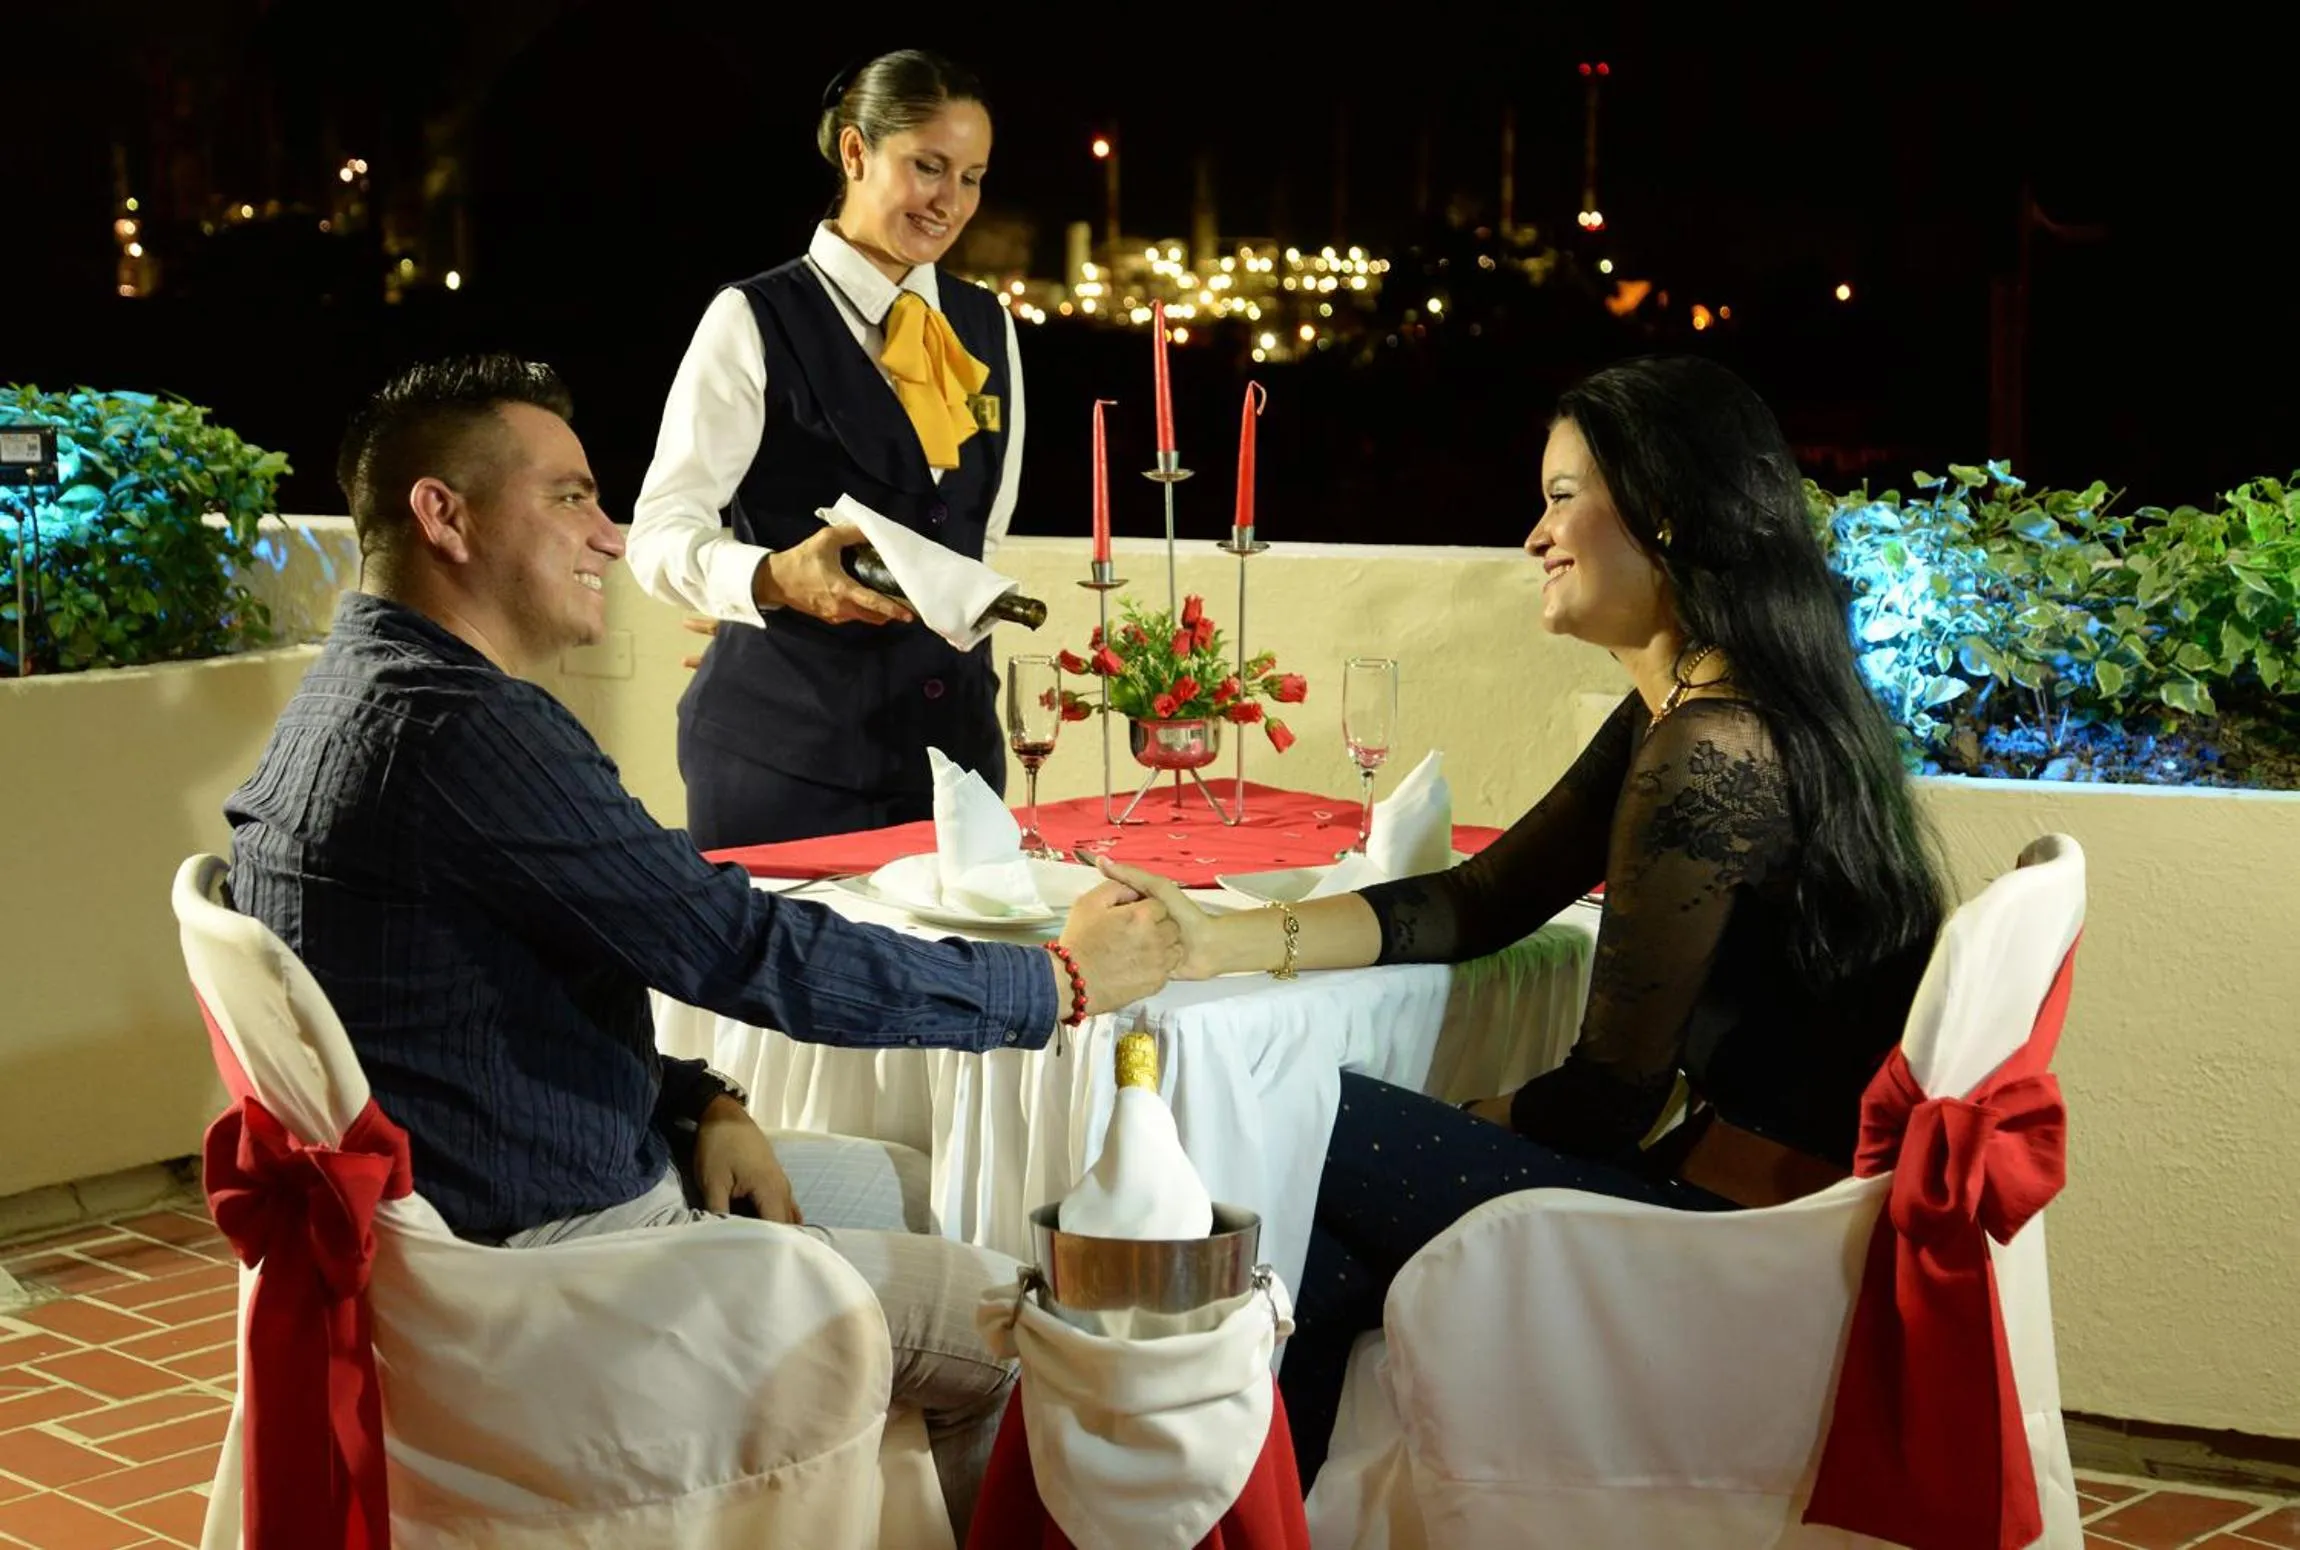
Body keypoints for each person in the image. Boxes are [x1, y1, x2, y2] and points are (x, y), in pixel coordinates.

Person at [225, 356, 1178, 1536]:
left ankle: (838, 1491)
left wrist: (697, 1100)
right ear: (443, 514)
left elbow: (463, 1003)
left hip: (481, 1206)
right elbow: (745, 948)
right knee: (1024, 1322)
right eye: (571, 496)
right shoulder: (465, 729)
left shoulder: (348, 698)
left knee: (913, 1186)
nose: (613, 538)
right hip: (553, 1269)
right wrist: (1059, 979)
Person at [1104, 355, 1949, 1484]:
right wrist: (1223, 939)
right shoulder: (1708, 701)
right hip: (1764, 1212)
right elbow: (1478, 897)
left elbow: (1604, 1102)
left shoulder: (1711, 745)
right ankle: (1301, 1502)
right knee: (1330, 1213)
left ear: (1663, 508)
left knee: (1304, 1124)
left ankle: (1237, 1499)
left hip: (1733, 1241)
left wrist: (1459, 1110)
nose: (1533, 536)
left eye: (1560, 496)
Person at [629, 48, 1023, 849]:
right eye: (928, 167)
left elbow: (977, 532)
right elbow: (660, 532)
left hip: (958, 767)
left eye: (972, 177)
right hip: (784, 764)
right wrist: (767, 581)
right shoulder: (753, 318)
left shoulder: (988, 326)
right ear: (855, 152)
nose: (950, 201)